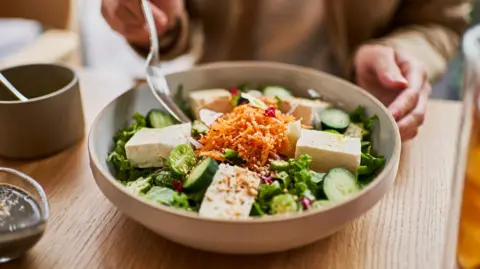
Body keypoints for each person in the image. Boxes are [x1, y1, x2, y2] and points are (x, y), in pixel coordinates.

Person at [101, 0, 471, 141]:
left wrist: (398, 53)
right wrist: (156, 20)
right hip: (220, 99)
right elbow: (183, 22)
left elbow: (438, 21)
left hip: (359, 106)